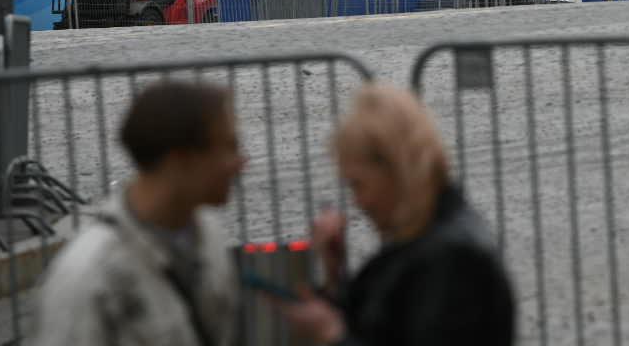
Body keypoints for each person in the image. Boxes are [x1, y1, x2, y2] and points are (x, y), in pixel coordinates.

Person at [279, 84, 515, 345]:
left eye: (358, 185)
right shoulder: (428, 236)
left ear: (396, 169)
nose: (358, 203)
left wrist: (331, 335)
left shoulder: (450, 259)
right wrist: (336, 279)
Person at [32, 81, 245, 346]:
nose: (241, 163)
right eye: (229, 147)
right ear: (181, 160)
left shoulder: (209, 237)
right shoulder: (87, 277)